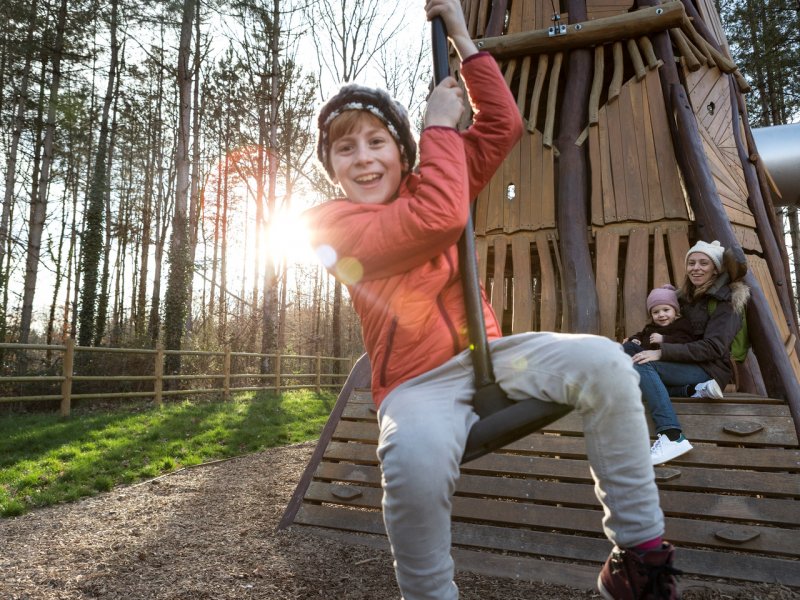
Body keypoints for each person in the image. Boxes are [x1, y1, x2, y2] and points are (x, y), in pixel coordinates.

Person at [304, 1, 680, 598]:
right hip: (415, 384)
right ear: (332, 169)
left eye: (378, 142)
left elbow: (502, 124)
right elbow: (437, 219)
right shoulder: (329, 224)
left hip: (497, 358)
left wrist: (461, 35)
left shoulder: (437, 175)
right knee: (413, 464)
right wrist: (436, 127)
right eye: (346, 150)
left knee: (610, 365)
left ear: (402, 154)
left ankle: (637, 558)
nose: (365, 158)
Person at [631, 241, 750, 467]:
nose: (696, 268)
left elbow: (714, 347)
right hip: (687, 366)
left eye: (703, 263)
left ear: (715, 269)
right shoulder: (685, 299)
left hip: (711, 368)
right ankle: (692, 390)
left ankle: (672, 436)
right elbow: (667, 330)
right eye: (691, 262)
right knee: (631, 368)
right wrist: (637, 340)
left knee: (642, 366)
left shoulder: (727, 302)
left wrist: (661, 353)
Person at [622, 285, 696, 356]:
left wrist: (664, 339)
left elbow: (686, 341)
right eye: (656, 312)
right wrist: (635, 339)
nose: (661, 315)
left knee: (628, 348)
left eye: (666, 310)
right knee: (624, 347)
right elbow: (640, 335)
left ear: (675, 311)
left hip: (664, 358)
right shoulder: (651, 326)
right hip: (644, 355)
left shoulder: (681, 324)